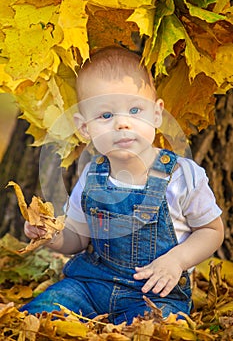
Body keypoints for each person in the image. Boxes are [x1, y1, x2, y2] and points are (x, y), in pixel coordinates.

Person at [20, 47, 224, 324]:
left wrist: (177, 260)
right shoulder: (91, 177)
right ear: (84, 128)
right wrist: (50, 235)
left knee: (153, 327)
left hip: (156, 292)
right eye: (105, 116)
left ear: (156, 114)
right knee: (44, 312)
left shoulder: (182, 175)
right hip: (90, 286)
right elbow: (77, 240)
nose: (123, 124)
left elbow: (211, 231)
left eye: (135, 110)